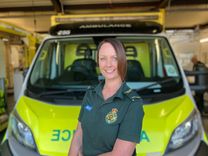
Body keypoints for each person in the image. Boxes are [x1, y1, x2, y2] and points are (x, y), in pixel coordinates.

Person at [68, 38, 144, 156]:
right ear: (98, 62)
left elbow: (120, 154)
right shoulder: (90, 94)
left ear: (123, 60)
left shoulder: (133, 103)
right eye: (103, 58)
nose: (108, 64)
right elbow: (79, 133)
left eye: (114, 58)